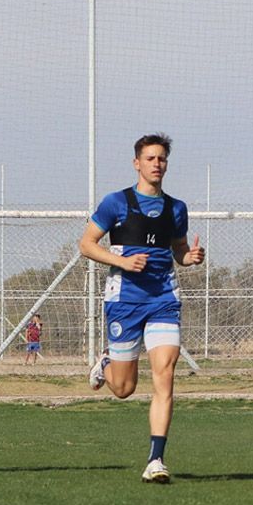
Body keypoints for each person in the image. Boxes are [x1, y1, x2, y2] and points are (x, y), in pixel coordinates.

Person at [80, 133, 204, 484]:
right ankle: (108, 363)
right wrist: (120, 260)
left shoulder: (176, 208)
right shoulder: (115, 203)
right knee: (124, 389)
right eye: (150, 158)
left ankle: (156, 459)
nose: (156, 164)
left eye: (162, 158)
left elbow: (179, 250)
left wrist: (189, 258)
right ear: (137, 163)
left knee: (164, 374)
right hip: (125, 301)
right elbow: (87, 245)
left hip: (163, 298)